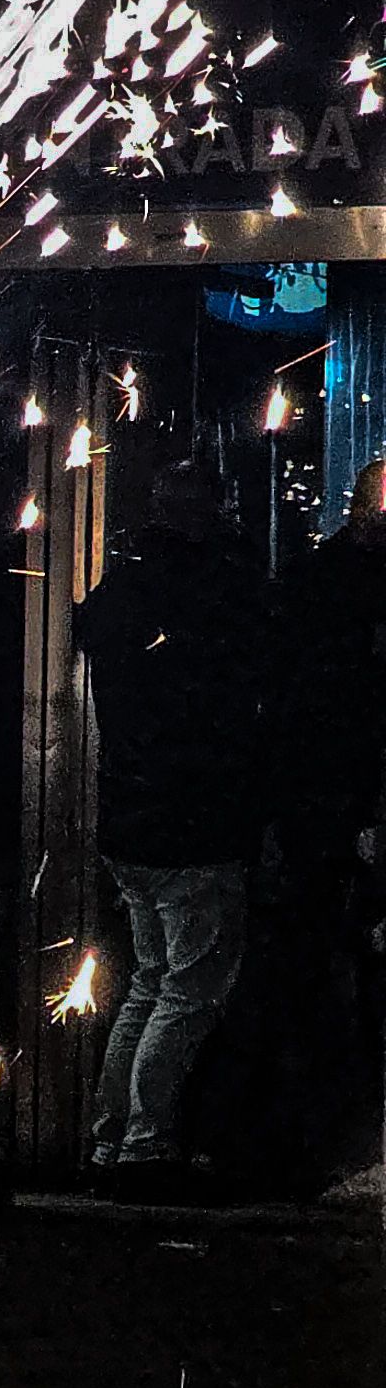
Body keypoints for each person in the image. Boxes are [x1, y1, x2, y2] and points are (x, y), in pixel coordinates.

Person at [76, 455, 277, 1188]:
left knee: (150, 982)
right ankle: (146, 1141)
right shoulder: (218, 595)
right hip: (195, 818)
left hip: (131, 816)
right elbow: (239, 705)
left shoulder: (121, 590)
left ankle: (110, 1135)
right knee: (189, 990)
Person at [270, 458, 386, 1193]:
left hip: (324, 804)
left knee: (320, 971)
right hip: (339, 802)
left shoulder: (311, 583)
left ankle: (317, 1139)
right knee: (337, 974)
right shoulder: (334, 588)